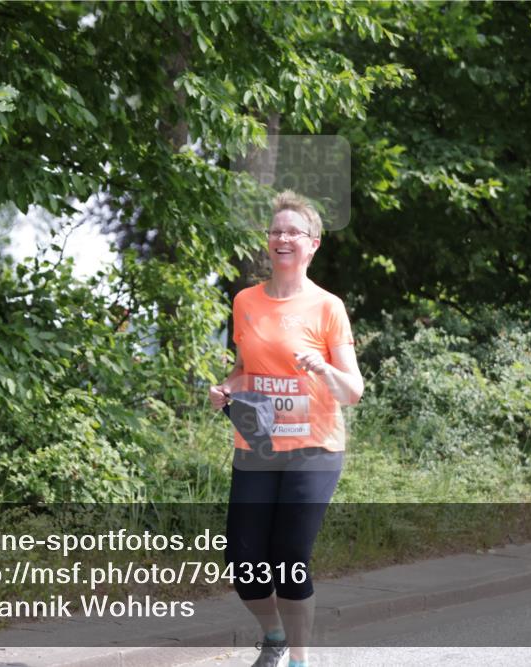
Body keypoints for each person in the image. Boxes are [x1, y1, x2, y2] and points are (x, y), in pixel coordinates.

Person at [209, 190, 364, 667]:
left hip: (313, 449)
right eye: (276, 231)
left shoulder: (327, 307)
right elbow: (244, 370)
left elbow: (352, 390)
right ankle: (273, 636)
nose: (282, 238)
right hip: (256, 446)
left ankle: (300, 658)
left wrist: (321, 366)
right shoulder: (246, 302)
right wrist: (226, 388)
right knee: (244, 563)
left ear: (313, 244)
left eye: (293, 232)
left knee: (290, 556)